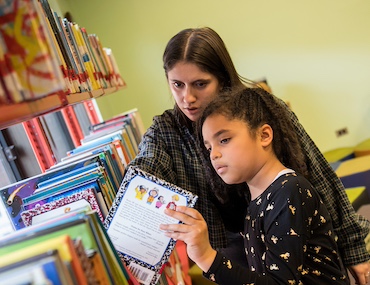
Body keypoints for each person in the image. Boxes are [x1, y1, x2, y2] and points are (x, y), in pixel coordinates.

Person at [126, 27, 370, 283]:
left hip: (292, 230)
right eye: (177, 85)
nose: (187, 98)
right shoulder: (166, 130)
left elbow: (319, 176)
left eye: (200, 84)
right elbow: (144, 173)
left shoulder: (262, 109)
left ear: (221, 78)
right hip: (238, 243)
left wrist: (354, 249)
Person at [160, 87, 351, 284]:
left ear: (264, 135)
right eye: (209, 147)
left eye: (224, 140)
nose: (213, 155)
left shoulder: (289, 191)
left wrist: (207, 257)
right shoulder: (257, 199)